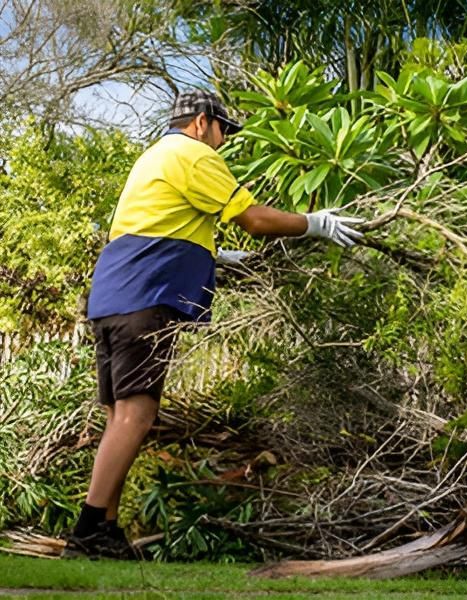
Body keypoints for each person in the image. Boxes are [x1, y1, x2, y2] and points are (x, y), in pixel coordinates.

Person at [62, 90, 363, 559]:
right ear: (203, 122)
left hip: (110, 299)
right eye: (224, 130)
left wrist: (212, 256)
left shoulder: (154, 158)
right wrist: (313, 223)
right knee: (136, 416)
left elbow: (155, 227)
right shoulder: (194, 154)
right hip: (146, 299)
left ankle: (105, 529)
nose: (223, 142)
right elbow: (255, 219)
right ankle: (85, 531)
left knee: (119, 420)